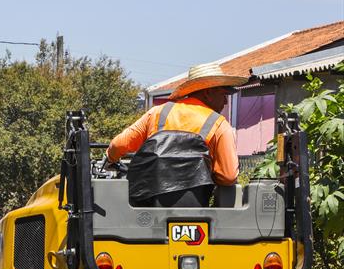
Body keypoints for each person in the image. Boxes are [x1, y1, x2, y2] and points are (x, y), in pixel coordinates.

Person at [106, 62, 247, 207]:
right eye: (223, 94)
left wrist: (110, 159)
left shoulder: (157, 113)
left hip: (148, 207)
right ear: (207, 92)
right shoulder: (220, 125)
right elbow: (228, 176)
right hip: (195, 209)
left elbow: (118, 145)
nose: (225, 101)